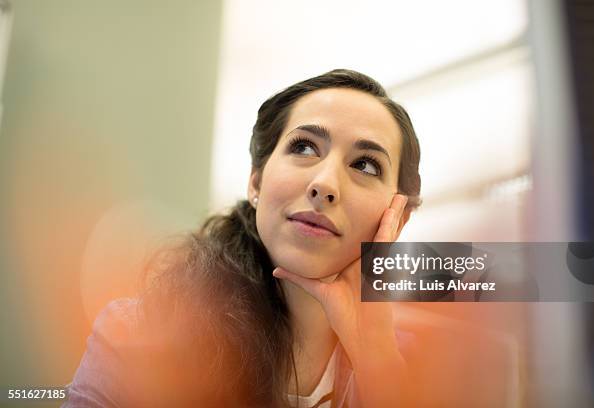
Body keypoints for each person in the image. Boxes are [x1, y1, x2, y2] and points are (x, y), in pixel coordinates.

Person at [64, 69, 422, 407]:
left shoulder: (428, 365)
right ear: (256, 182)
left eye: (364, 165)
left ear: (398, 216)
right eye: (304, 147)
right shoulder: (137, 335)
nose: (325, 184)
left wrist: (378, 364)